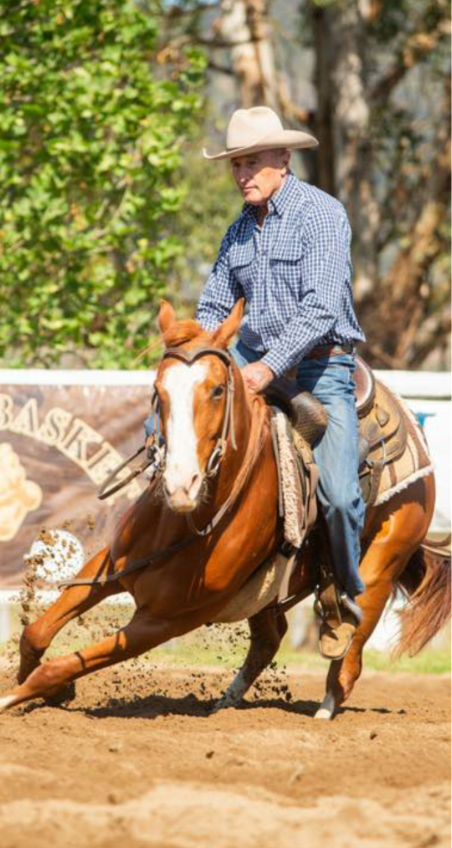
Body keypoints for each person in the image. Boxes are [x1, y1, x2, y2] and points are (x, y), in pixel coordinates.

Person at [196, 106, 366, 657]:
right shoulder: (238, 230)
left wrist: (268, 366)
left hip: (320, 367)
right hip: (252, 358)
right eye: (236, 164)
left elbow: (321, 308)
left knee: (338, 497)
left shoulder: (321, 214)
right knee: (177, 417)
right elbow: (214, 305)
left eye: (252, 162)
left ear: (283, 158)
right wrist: (198, 352)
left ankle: (342, 595)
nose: (242, 174)